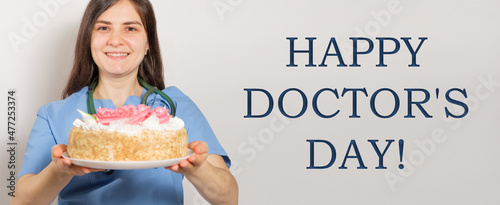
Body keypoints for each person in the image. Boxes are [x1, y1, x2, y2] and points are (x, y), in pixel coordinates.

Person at [11, 0, 238, 204]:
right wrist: (60, 170)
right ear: (88, 40)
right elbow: (21, 202)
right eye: (103, 28)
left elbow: (229, 197)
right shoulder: (54, 115)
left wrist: (197, 168)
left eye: (130, 28)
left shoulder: (175, 107)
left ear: (148, 42)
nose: (116, 40)